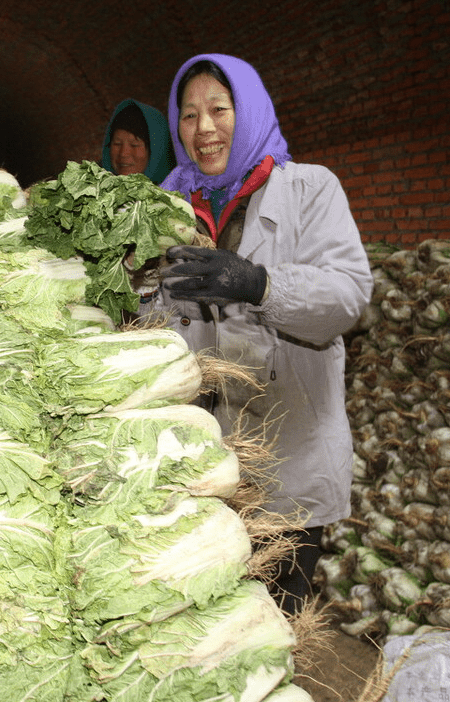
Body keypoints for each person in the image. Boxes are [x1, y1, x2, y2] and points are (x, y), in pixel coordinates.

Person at [140, 54, 373, 613]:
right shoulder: (162, 207)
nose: (205, 129)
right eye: (189, 116)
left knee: (270, 631)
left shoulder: (310, 190)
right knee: (200, 625)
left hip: (287, 449)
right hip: (194, 465)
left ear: (249, 112)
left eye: (219, 110)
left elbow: (347, 298)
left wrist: (260, 284)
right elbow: (145, 325)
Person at [100, 99, 175, 183]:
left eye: (134, 145)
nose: (123, 154)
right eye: (117, 144)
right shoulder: (93, 190)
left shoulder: (181, 193)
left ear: (157, 151)